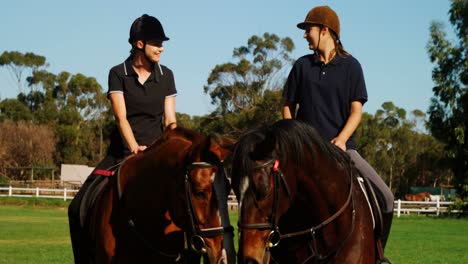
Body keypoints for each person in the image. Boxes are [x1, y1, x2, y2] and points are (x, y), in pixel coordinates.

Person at [281, 5, 394, 259]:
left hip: (343, 151)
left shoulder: (351, 67)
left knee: (386, 199)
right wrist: (293, 140)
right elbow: (287, 106)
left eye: (308, 30)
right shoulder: (301, 66)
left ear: (324, 30)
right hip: (303, 157)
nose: (304, 35)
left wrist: (341, 140)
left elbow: (356, 112)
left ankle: (377, 254)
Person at [68, 14, 177, 263]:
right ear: (139, 44)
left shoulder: (166, 75)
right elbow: (121, 118)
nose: (161, 47)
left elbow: (170, 120)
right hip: (121, 153)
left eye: (162, 43)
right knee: (76, 207)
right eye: (156, 42)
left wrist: (168, 148)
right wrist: (134, 148)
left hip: (157, 154)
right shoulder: (118, 73)